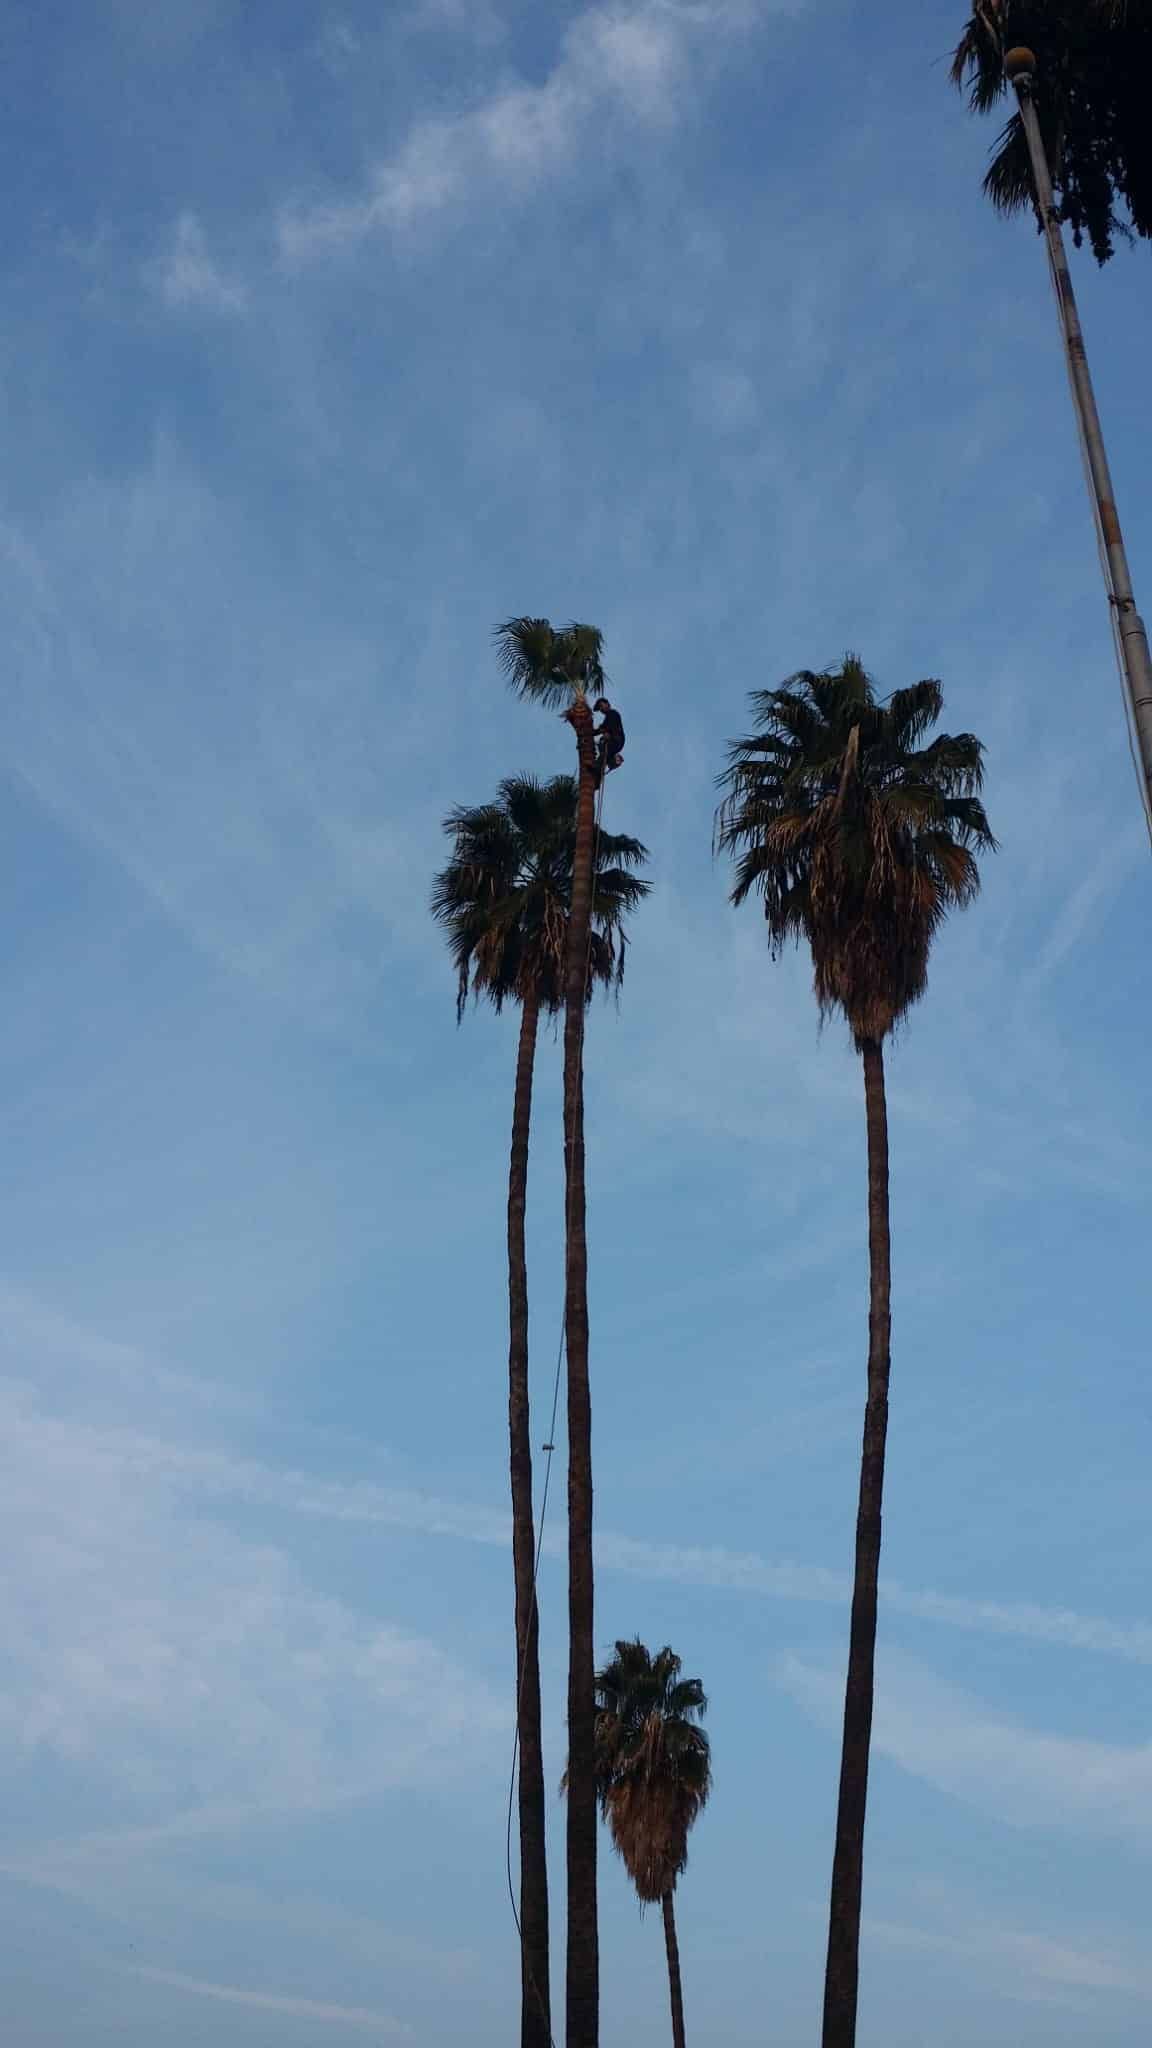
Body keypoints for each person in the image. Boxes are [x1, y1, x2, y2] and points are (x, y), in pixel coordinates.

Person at [593, 696, 625, 784]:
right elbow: (602, 729)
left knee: (604, 754)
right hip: (615, 742)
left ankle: (596, 768)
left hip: (616, 740)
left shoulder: (613, 713)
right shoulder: (608, 716)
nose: (601, 709)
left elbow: (608, 727)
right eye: (599, 708)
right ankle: (612, 761)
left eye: (601, 706)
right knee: (603, 749)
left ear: (607, 704)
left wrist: (603, 731)